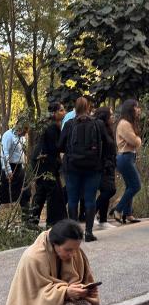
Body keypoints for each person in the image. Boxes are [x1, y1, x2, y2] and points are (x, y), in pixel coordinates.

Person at [58, 97, 110, 242]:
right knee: (90, 199)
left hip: (72, 167)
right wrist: (103, 160)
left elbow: (60, 145)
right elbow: (108, 143)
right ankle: (88, 232)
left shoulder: (69, 124)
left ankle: (75, 233)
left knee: (73, 199)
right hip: (93, 167)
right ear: (88, 107)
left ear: (75, 108)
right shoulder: (98, 124)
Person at [30, 103, 67, 227]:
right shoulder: (51, 127)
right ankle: (52, 222)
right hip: (45, 162)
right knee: (52, 190)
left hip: (42, 161)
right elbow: (54, 148)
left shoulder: (49, 125)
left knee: (42, 191)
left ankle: (32, 220)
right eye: (61, 110)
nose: (64, 112)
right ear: (54, 113)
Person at [0, 121, 32, 224]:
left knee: (25, 192)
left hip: (19, 168)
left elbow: (21, 154)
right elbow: (4, 154)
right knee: (0, 194)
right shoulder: (8, 135)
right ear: (19, 126)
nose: (25, 133)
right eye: (25, 130)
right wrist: (8, 171)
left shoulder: (22, 137)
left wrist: (23, 165)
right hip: (8, 168)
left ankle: (27, 222)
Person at [110, 99, 142, 224]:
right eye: (136, 107)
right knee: (136, 185)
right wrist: (138, 139)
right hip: (125, 157)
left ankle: (128, 214)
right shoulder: (124, 124)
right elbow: (135, 141)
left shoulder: (128, 123)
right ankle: (118, 209)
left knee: (130, 186)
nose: (138, 109)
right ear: (130, 108)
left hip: (128, 157)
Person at [93, 107, 117, 229]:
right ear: (104, 116)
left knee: (107, 190)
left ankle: (103, 220)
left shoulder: (107, 128)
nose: (113, 117)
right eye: (111, 115)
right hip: (103, 165)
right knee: (109, 190)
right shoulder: (100, 126)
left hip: (109, 164)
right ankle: (92, 213)